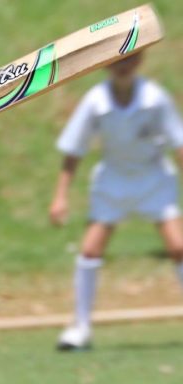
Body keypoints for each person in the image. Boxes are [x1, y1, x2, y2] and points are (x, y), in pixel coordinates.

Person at [49, 52, 183, 350]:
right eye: (116, 61)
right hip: (113, 180)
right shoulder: (95, 102)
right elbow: (74, 149)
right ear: (105, 65)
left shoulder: (156, 98)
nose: (122, 67)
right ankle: (80, 328)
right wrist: (60, 196)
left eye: (129, 60)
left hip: (154, 177)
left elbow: (179, 143)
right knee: (89, 250)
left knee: (178, 247)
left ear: (139, 62)